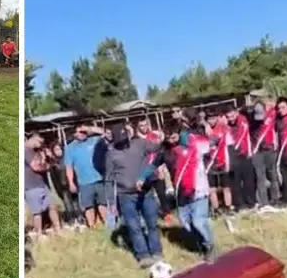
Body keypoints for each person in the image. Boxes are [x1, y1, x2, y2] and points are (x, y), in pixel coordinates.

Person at [141, 127, 217, 261]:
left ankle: (210, 247)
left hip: (198, 190)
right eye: (169, 137)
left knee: (198, 222)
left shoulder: (194, 147)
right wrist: (141, 177)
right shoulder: (165, 152)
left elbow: (214, 142)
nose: (171, 139)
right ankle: (200, 244)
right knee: (186, 223)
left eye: (174, 136)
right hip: (181, 193)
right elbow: (153, 165)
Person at [103, 124, 164, 268]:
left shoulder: (140, 144)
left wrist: (162, 139)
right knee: (134, 226)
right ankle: (143, 255)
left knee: (152, 223)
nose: (123, 143)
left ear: (129, 136)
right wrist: (111, 202)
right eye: (120, 141)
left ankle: (156, 251)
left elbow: (157, 148)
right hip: (125, 196)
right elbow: (109, 179)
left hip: (146, 191)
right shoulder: (111, 154)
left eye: (125, 139)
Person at [63, 124, 108, 228]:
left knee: (103, 203)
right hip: (84, 182)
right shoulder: (70, 148)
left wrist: (90, 128)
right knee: (88, 206)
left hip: (99, 178)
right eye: (80, 132)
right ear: (74, 134)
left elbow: (106, 133)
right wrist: (71, 182)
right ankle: (92, 226)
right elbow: (69, 167)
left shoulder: (94, 140)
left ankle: (106, 224)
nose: (83, 134)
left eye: (84, 132)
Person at [25, 134, 61, 236]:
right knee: (37, 212)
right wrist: (47, 167)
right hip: (31, 186)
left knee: (52, 206)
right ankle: (39, 234)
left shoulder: (36, 150)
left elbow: (44, 163)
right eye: (38, 142)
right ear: (32, 138)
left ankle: (58, 229)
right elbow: (36, 167)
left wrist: (47, 157)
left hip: (42, 184)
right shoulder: (25, 151)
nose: (40, 144)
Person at [224, 105, 257, 210]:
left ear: (236, 113)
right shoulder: (226, 125)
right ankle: (239, 204)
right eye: (228, 117)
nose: (231, 119)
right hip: (233, 156)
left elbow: (241, 136)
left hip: (245, 154)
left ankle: (251, 203)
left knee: (248, 181)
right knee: (235, 183)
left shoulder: (242, 120)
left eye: (232, 116)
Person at [251, 98, 280, 207]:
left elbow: (282, 106)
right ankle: (264, 202)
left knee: (272, 175)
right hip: (257, 151)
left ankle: (275, 198)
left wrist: (270, 103)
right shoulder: (251, 119)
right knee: (260, 177)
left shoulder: (272, 114)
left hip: (270, 149)